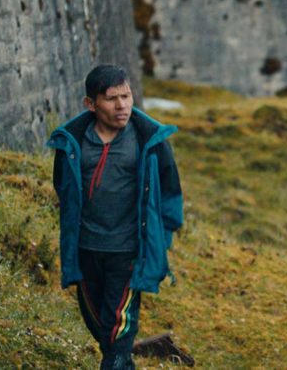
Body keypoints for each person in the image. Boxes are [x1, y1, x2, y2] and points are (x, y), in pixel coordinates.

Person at [46, 65, 184, 370]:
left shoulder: (149, 140)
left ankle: (118, 359)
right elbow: (63, 187)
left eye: (126, 96)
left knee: (118, 325)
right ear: (91, 104)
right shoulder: (72, 142)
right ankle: (121, 358)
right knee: (98, 322)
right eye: (111, 98)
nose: (122, 105)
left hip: (128, 250)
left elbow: (170, 191)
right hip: (85, 249)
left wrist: (162, 238)